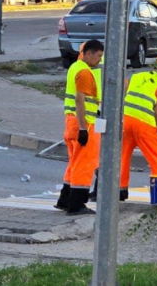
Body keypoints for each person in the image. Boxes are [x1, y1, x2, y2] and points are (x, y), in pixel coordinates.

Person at [119, 54, 157, 201]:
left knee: (123, 156)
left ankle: (120, 190)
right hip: (144, 122)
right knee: (156, 157)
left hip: (126, 119)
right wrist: (156, 122)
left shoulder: (137, 76)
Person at [55, 39, 104, 215]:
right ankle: (76, 204)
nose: (99, 60)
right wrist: (84, 129)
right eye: (98, 56)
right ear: (88, 54)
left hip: (72, 121)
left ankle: (65, 200)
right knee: (86, 163)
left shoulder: (75, 67)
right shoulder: (84, 72)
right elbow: (80, 100)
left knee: (75, 162)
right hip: (85, 123)